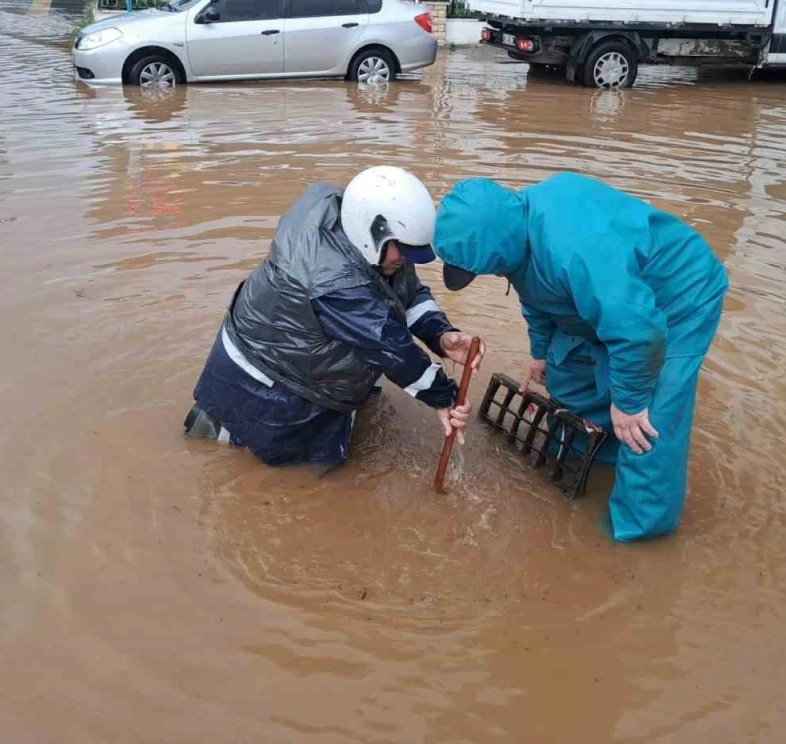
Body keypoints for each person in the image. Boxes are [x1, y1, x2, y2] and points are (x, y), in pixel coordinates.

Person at [432, 172, 728, 542]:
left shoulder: (575, 249)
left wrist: (630, 402)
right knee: (567, 370)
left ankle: (635, 533)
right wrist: (540, 353)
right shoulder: (515, 227)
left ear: (497, 251)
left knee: (647, 426)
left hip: (675, 298)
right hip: (617, 303)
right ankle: (592, 454)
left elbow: (640, 331)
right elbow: (536, 295)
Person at [184, 166, 484, 467]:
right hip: (267, 387)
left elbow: (406, 293)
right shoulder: (334, 280)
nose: (406, 260)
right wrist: (445, 396)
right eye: (403, 251)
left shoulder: (366, 236)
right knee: (287, 472)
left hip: (305, 363)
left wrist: (442, 336)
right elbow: (388, 345)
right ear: (373, 232)